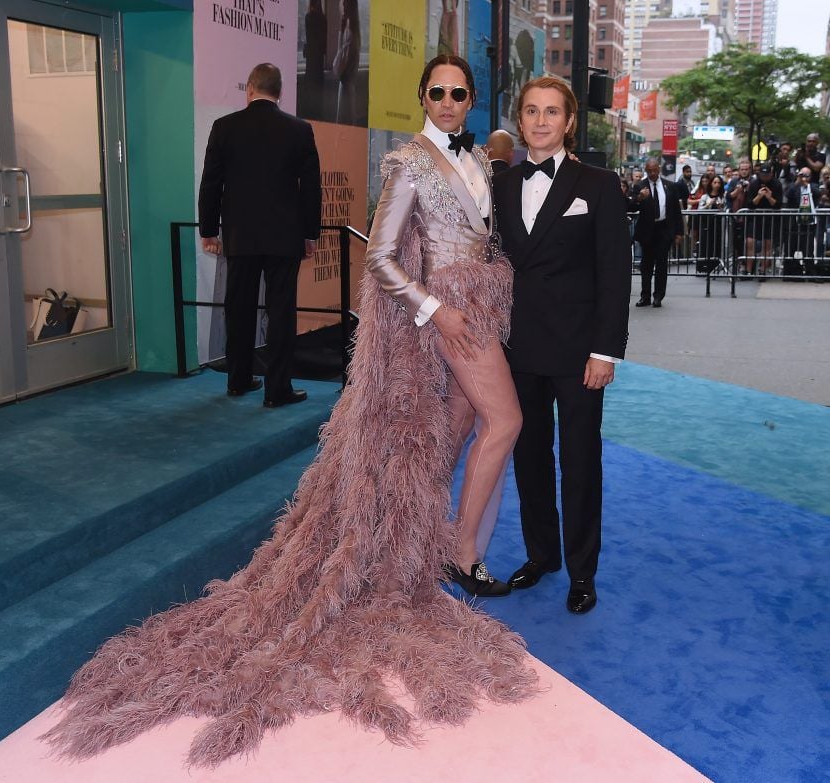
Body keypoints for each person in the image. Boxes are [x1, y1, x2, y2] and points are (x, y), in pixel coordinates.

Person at [45, 55, 536, 767]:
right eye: (439, 92)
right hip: (451, 316)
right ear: (421, 97)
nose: (451, 101)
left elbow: (479, 236)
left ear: (472, 98)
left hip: (479, 306)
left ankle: (427, 551)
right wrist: (437, 310)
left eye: (461, 92)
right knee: (507, 421)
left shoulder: (479, 164)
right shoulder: (407, 163)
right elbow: (382, 260)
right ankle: (462, 553)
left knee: (449, 436)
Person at [492, 76, 630, 614]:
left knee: (580, 463)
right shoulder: (502, 185)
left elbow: (614, 274)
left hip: (578, 354)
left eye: (552, 112)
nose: (541, 120)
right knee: (528, 457)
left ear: (569, 122)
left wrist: (605, 350)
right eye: (531, 111)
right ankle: (542, 554)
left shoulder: (598, 184)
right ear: (520, 119)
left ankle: (582, 571)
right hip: (518, 349)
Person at [198, 64, 320, 407]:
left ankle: (237, 379)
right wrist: (310, 234)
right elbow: (311, 188)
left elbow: (211, 184)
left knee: (239, 307)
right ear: (280, 92)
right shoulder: (300, 130)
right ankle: (277, 389)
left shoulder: (224, 128)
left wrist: (209, 230)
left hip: (240, 235)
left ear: (249, 89)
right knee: (281, 311)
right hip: (285, 236)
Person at [629, 157, 683, 308]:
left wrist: (679, 232)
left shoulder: (670, 186)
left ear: (659, 169)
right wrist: (639, 197)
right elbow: (631, 206)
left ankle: (658, 296)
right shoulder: (640, 186)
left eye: (654, 170)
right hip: (647, 230)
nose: (652, 173)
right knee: (646, 265)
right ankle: (645, 296)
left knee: (661, 265)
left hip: (664, 229)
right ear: (646, 170)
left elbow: (676, 211)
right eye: (649, 171)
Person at [743, 163, 783, 275]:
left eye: (767, 174)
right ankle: (748, 270)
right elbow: (750, 204)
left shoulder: (776, 184)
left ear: (771, 174)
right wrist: (759, 196)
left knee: (767, 244)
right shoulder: (754, 183)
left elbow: (778, 205)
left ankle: (763, 270)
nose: (765, 177)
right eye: (763, 174)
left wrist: (769, 197)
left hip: (770, 218)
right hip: (755, 218)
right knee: (750, 242)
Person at [784, 167, 818, 278]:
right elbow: (787, 195)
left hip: (808, 224)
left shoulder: (813, 186)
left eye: (806, 175)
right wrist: (797, 182)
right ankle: (789, 272)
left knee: (808, 249)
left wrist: (806, 185)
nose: (804, 178)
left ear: (810, 176)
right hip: (793, 224)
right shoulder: (793, 186)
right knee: (790, 248)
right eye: (802, 175)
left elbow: (817, 193)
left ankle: (810, 271)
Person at [332, 0, 360, 124]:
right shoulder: (352, 31)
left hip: (346, 89)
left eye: (344, 3)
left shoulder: (351, 33)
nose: (342, 7)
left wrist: (341, 32)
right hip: (347, 88)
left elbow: (337, 67)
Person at [696, 174, 726, 273]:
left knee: (716, 243)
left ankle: (715, 265)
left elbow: (725, 209)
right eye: (715, 182)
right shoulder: (705, 196)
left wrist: (720, 207)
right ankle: (703, 266)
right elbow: (699, 209)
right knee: (705, 243)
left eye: (718, 183)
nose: (717, 185)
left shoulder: (723, 196)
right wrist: (709, 204)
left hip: (718, 224)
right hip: (706, 223)